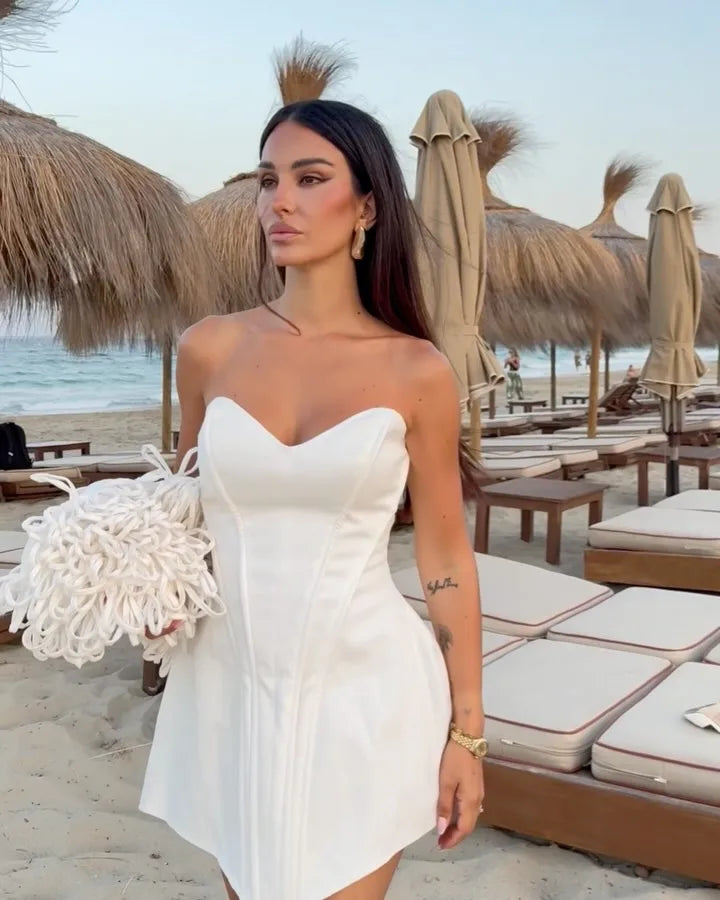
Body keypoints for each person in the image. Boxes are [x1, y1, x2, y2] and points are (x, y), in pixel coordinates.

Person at [139, 99, 486, 900]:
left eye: (309, 177)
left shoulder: (417, 370)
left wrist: (467, 731)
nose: (278, 201)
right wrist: (156, 592)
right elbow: (181, 515)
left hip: (366, 690)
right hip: (226, 691)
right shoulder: (209, 348)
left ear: (365, 206)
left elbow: (443, 555)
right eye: (268, 180)